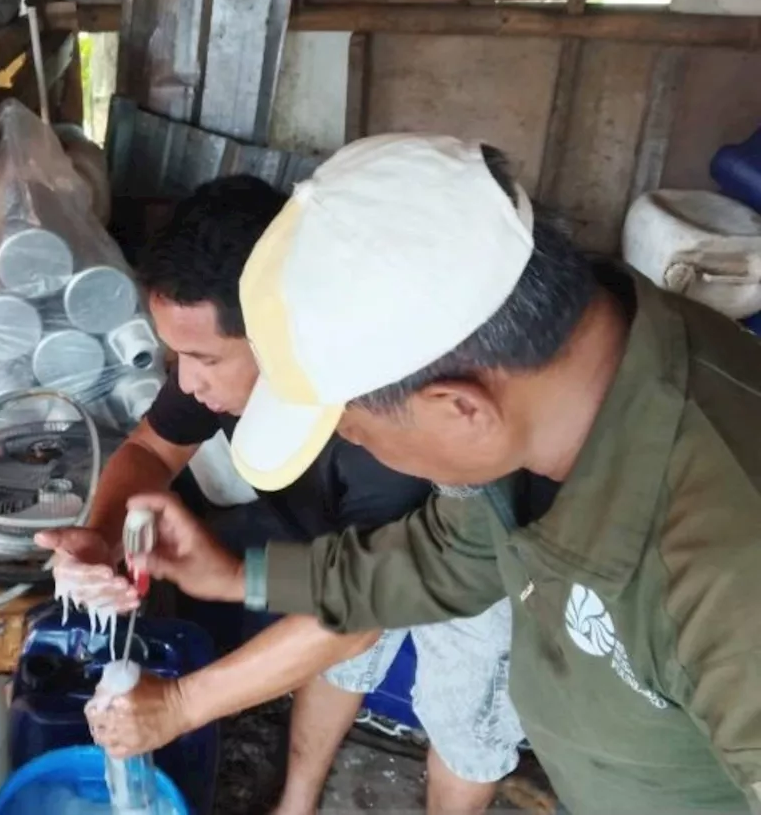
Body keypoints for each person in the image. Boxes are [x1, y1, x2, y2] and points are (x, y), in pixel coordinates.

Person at [86, 134, 761, 815]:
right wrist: (240, 575)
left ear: (461, 410)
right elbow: (444, 553)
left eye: (351, 429)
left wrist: (182, 702)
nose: (352, 443)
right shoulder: (554, 400)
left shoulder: (725, 575)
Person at [37, 175, 523, 815]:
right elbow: (152, 451)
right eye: (175, 354)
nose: (187, 380)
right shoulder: (218, 360)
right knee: (334, 661)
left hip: (471, 558)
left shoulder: (383, 428)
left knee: (465, 723)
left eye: (204, 358)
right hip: (347, 561)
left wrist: (182, 706)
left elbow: (352, 619)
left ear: (279, 327)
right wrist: (99, 535)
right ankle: (296, 804)